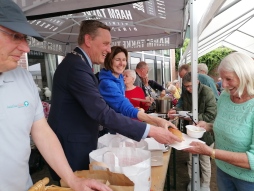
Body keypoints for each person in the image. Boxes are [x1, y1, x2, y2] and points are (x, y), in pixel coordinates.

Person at [48, 21, 181, 181]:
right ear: (88, 40)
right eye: (105, 43)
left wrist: (154, 122)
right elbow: (102, 112)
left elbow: (119, 106)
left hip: (77, 142)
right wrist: (152, 130)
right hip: (72, 147)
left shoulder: (78, 64)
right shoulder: (76, 67)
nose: (109, 50)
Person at [0, 1, 111, 191]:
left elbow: (41, 131)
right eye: (16, 36)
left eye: (25, 37)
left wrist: (72, 179)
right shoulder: (75, 65)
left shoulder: (23, 77)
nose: (26, 48)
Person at [185, 52, 254, 191]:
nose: (223, 84)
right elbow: (227, 126)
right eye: (222, 78)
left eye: (228, 79)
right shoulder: (224, 97)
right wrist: (208, 126)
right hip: (223, 170)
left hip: (248, 181)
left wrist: (211, 152)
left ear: (245, 76)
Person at [99, 46, 174, 125]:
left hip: (121, 123)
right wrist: (157, 121)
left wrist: (138, 106)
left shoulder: (119, 77)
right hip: (111, 127)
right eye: (117, 60)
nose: (122, 63)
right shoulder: (107, 83)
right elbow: (122, 105)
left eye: (124, 60)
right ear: (110, 61)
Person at [168, 72, 217, 191]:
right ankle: (192, 181)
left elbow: (212, 114)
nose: (188, 89)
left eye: (190, 86)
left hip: (206, 131)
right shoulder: (186, 92)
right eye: (186, 86)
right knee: (190, 159)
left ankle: (205, 185)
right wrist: (176, 111)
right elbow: (181, 105)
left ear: (197, 82)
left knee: (205, 160)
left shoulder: (207, 92)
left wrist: (192, 117)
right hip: (190, 130)